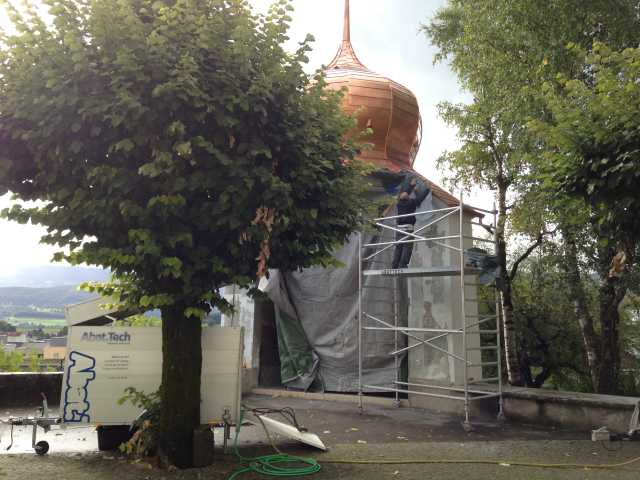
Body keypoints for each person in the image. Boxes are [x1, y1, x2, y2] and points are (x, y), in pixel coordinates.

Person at [391, 177, 430, 269]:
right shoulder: (412, 203)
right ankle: (402, 266)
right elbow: (421, 197)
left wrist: (412, 186)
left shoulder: (399, 203)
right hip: (408, 229)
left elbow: (407, 193)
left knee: (399, 248)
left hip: (399, 229)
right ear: (407, 197)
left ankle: (394, 266)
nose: (407, 193)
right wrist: (427, 188)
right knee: (406, 247)